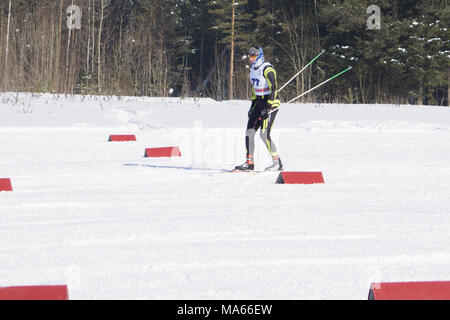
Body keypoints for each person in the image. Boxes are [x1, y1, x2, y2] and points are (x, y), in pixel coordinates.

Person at [234, 46, 283, 171]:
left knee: (264, 134)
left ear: (259, 56)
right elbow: (255, 90)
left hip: (271, 103)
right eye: (250, 55)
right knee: (249, 132)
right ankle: (249, 163)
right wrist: (252, 106)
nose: (251, 58)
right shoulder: (252, 70)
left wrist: (268, 107)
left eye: (253, 56)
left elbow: (274, 88)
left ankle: (277, 162)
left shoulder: (267, 69)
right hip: (259, 102)